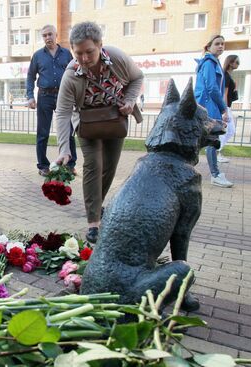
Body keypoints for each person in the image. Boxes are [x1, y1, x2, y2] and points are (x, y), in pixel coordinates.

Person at [55, 21, 143, 243]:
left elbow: (137, 78)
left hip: (115, 120)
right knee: (94, 165)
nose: (84, 58)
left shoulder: (117, 58)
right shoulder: (71, 75)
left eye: (89, 52)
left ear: (100, 45)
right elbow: (63, 114)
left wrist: (131, 100)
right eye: (78, 53)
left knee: (110, 167)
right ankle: (93, 221)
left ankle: (96, 205)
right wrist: (64, 149)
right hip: (87, 124)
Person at [27, 25, 77, 177]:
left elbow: (75, 73)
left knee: (68, 130)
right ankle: (43, 166)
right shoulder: (37, 56)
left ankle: (70, 164)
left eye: (50, 34)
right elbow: (30, 77)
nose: (47, 37)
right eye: (44, 35)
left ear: (56, 35)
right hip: (44, 96)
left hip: (64, 96)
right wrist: (30, 96)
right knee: (43, 133)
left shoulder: (67, 54)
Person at [194, 35, 233, 188]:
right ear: (208, 47)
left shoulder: (212, 62)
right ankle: (215, 175)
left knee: (204, 140)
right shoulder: (210, 63)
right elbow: (212, 87)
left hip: (207, 105)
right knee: (212, 140)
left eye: (223, 44)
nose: (221, 46)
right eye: (217, 44)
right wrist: (224, 108)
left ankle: (215, 173)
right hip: (208, 106)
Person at [218, 54, 240, 163]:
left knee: (230, 131)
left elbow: (230, 95)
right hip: (225, 107)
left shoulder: (229, 76)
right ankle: (216, 152)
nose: (238, 64)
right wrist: (225, 111)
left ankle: (217, 150)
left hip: (227, 107)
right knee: (227, 130)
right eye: (237, 62)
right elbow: (224, 94)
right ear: (230, 63)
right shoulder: (226, 76)